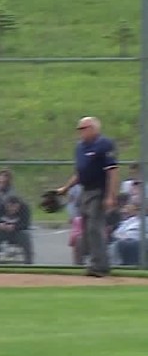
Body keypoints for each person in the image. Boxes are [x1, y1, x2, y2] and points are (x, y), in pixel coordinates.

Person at [56, 116, 120, 277]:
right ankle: (95, 263)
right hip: (85, 191)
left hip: (99, 190)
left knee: (94, 228)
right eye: (79, 129)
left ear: (93, 128)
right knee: (85, 230)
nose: (80, 132)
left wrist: (111, 196)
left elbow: (112, 171)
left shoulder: (104, 144)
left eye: (83, 128)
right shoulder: (80, 147)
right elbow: (80, 172)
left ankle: (100, 266)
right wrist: (66, 188)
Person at [0, 195, 34, 264]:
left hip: (17, 232)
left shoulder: (24, 208)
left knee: (25, 235)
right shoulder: (0, 207)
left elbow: (26, 224)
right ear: (6, 205)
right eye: (9, 207)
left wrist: (14, 227)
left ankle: (28, 261)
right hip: (2, 231)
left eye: (15, 207)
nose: (12, 209)